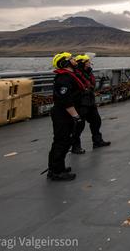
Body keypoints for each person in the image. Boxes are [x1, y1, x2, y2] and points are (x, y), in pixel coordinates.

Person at [47, 52, 84, 181]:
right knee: (61, 142)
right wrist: (76, 116)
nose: (75, 60)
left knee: (62, 141)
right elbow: (65, 100)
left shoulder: (69, 76)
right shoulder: (64, 79)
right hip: (63, 114)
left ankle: (56, 167)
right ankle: (56, 172)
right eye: (71, 59)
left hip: (65, 113)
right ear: (65, 63)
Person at [70, 55, 111, 153]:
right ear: (82, 63)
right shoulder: (75, 74)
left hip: (90, 102)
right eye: (87, 61)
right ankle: (75, 146)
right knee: (79, 125)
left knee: (96, 121)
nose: (89, 63)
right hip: (80, 103)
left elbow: (91, 86)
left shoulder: (88, 72)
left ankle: (97, 141)